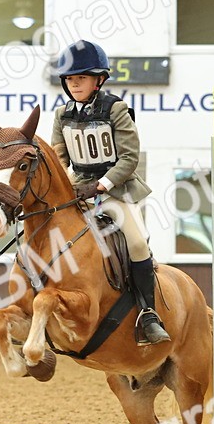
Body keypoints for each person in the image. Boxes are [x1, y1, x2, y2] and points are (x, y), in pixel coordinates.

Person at [50, 40, 169, 345]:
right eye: (70, 79)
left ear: (99, 79)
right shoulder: (62, 114)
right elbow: (58, 155)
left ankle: (148, 314)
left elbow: (129, 158)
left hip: (115, 190)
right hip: (78, 189)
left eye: (82, 78)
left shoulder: (115, 109)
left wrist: (101, 184)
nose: (75, 84)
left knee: (138, 243)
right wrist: (66, 185)